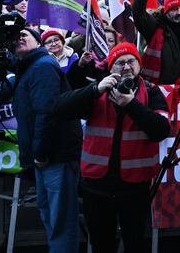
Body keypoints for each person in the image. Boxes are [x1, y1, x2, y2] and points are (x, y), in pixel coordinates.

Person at [54, 42, 171, 253]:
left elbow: (161, 130)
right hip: (96, 186)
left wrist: (131, 105)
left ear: (139, 65)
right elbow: (61, 109)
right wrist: (94, 90)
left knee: (135, 243)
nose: (126, 67)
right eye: (120, 63)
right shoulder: (98, 90)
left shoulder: (152, 92)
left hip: (135, 187)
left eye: (131, 61)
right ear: (110, 68)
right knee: (101, 244)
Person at [9, 27, 83, 253]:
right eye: (15, 37)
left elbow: (46, 112)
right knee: (48, 211)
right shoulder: (29, 68)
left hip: (54, 155)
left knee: (60, 217)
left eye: (24, 35)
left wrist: (40, 153)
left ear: (37, 42)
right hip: (45, 155)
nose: (19, 38)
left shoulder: (42, 66)